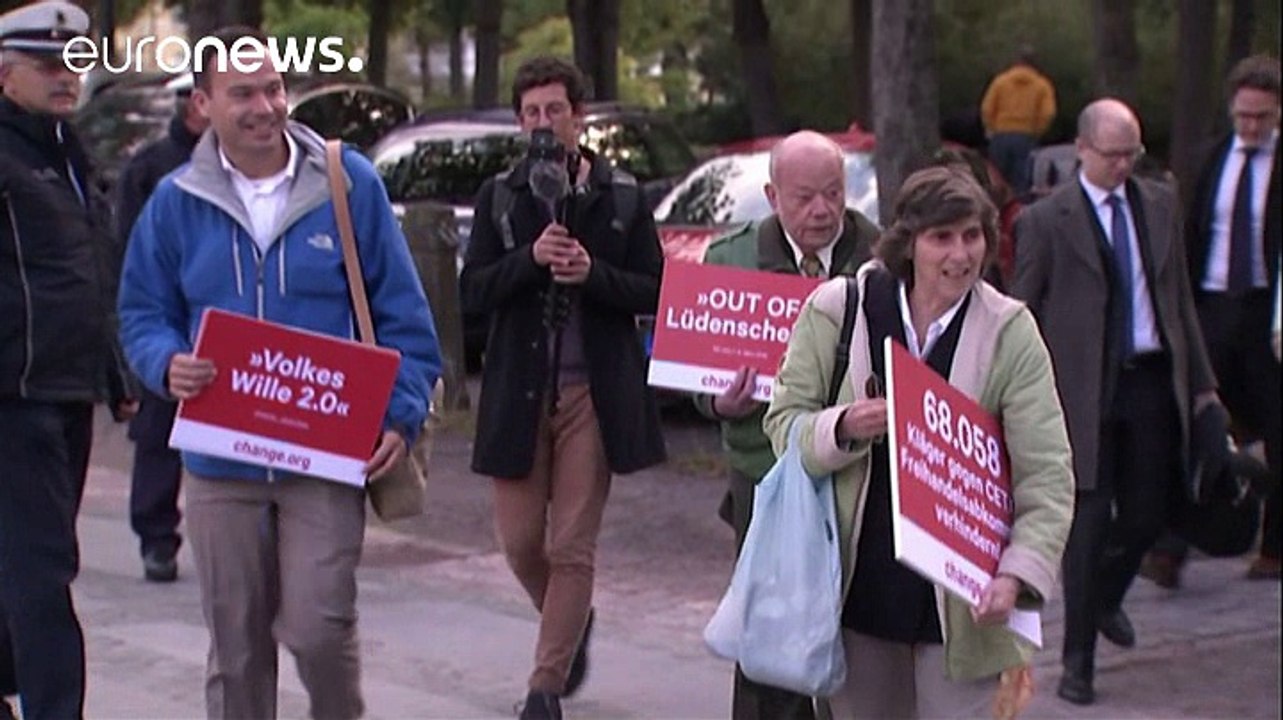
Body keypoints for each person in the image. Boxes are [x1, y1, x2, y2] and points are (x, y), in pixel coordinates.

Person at [116, 26, 440, 719]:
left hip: (323, 459)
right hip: (218, 464)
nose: (264, 106)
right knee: (235, 649)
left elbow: (408, 321)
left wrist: (401, 412)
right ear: (204, 104)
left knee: (320, 627)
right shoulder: (175, 200)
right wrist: (163, 362)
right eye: (243, 94)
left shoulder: (347, 182)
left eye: (274, 88)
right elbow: (142, 311)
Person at [763, 167, 1074, 719]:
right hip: (856, 592)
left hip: (965, 602)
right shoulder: (841, 308)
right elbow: (783, 423)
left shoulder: (1010, 329)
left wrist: (1019, 572)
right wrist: (842, 427)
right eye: (941, 238)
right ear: (909, 242)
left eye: (972, 235)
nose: (960, 254)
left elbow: (1046, 471)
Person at [460, 55, 666, 720]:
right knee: (521, 543)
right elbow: (471, 292)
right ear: (518, 122)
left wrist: (591, 273)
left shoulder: (622, 196)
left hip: (593, 397)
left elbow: (657, 290)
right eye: (531, 113)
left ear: (579, 117)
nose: (543, 123)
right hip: (519, 392)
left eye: (555, 111)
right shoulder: (500, 197)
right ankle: (570, 623)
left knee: (572, 543)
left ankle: (544, 687)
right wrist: (530, 261)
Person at [1010, 98, 1219, 706]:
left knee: (1153, 511)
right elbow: (1021, 311)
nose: (1124, 165)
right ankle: (1078, 663)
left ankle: (1105, 595)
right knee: (1087, 525)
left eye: (1133, 154)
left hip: (1153, 379)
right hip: (1080, 391)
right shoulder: (1047, 220)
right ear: (1082, 149)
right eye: (1112, 155)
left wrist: (1203, 387)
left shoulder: (1159, 204)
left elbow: (1178, 300)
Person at [693, 130, 878, 720]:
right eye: (804, 198)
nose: (822, 210)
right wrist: (718, 403)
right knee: (772, 625)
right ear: (773, 196)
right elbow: (694, 370)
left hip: (857, 469)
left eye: (833, 193)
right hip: (764, 469)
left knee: (853, 623)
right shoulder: (731, 259)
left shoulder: (879, 257)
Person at [1, 2, 137, 717]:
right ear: (4, 74)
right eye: (47, 67)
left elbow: (92, 270)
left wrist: (114, 368)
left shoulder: (69, 153)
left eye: (73, 64)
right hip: (12, 393)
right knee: (42, 569)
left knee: (27, 562)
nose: (65, 78)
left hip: (66, 387)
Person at [1173, 54, 1280, 583]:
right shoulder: (1213, 159)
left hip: (1266, 309)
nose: (1252, 126)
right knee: (1194, 420)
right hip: (1211, 304)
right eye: (1244, 115)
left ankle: (1275, 547)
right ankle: (1173, 545)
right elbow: (1194, 231)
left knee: (1277, 426)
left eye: (1262, 116)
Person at [114, 84, 210, 583]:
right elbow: (126, 251)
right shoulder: (153, 168)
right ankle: (156, 536)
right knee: (158, 430)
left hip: (223, 323)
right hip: (169, 322)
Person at [981, 45, 1057, 197]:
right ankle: (1018, 215)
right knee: (1021, 183)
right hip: (1026, 136)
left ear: (1016, 62)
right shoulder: (1042, 85)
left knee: (995, 182)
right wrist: (1037, 130)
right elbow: (1048, 113)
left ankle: (995, 215)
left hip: (1000, 135)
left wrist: (991, 127)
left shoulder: (1000, 82)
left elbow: (987, 108)